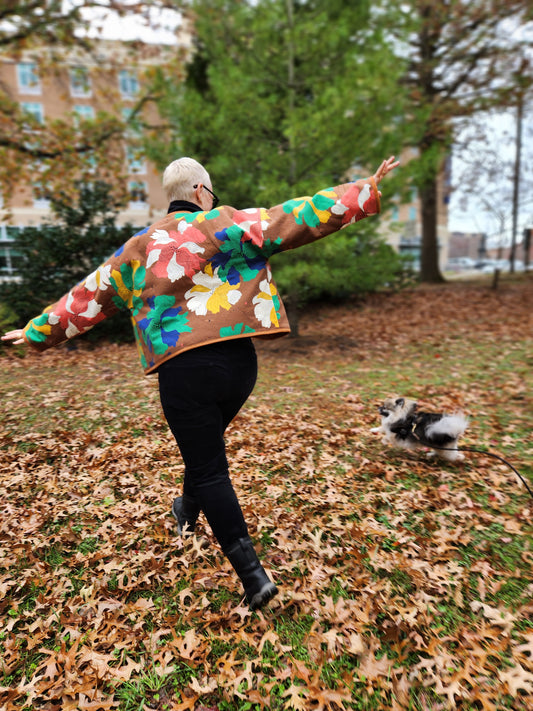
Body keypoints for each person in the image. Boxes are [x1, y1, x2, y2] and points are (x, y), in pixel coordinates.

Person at [2, 155, 399, 610]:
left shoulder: (138, 248)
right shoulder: (224, 223)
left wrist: (35, 331)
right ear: (200, 193)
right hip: (239, 368)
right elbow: (294, 216)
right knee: (204, 450)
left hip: (185, 372)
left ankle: (253, 577)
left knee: (209, 467)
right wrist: (362, 191)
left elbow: (89, 297)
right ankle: (185, 509)